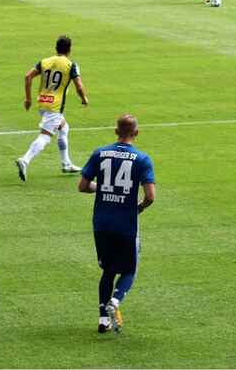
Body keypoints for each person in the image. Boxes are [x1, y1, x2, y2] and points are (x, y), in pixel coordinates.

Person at [78, 114, 156, 334]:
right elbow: (150, 196)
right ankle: (115, 300)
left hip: (101, 223)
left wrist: (102, 189)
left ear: (115, 131)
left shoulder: (100, 153)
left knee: (108, 270)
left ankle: (103, 318)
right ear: (137, 133)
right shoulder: (142, 159)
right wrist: (138, 207)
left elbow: (82, 186)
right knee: (130, 269)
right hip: (126, 225)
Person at [15, 34, 88, 181]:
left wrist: (28, 99)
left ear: (56, 48)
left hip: (42, 102)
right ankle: (25, 160)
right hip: (54, 107)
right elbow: (79, 85)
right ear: (69, 50)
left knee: (64, 127)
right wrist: (84, 98)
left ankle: (66, 164)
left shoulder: (45, 61)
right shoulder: (70, 65)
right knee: (45, 136)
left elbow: (28, 77)